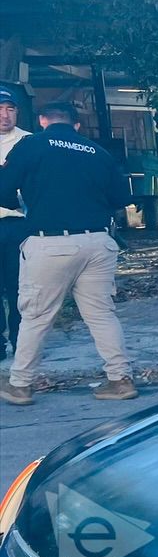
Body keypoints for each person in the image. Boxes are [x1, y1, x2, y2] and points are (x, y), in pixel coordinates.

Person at [0, 101, 136, 405]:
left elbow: (2, 190)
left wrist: (23, 203)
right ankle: (120, 379)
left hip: (50, 244)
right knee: (101, 314)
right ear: (76, 125)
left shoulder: (30, 145)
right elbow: (120, 198)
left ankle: (20, 385)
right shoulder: (97, 152)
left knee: (36, 316)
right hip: (99, 243)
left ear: (42, 121)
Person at [0, 87, 31, 360]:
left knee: (18, 286)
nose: (4, 115)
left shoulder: (29, 142)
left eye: (10, 109)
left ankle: (22, 341)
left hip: (18, 225)